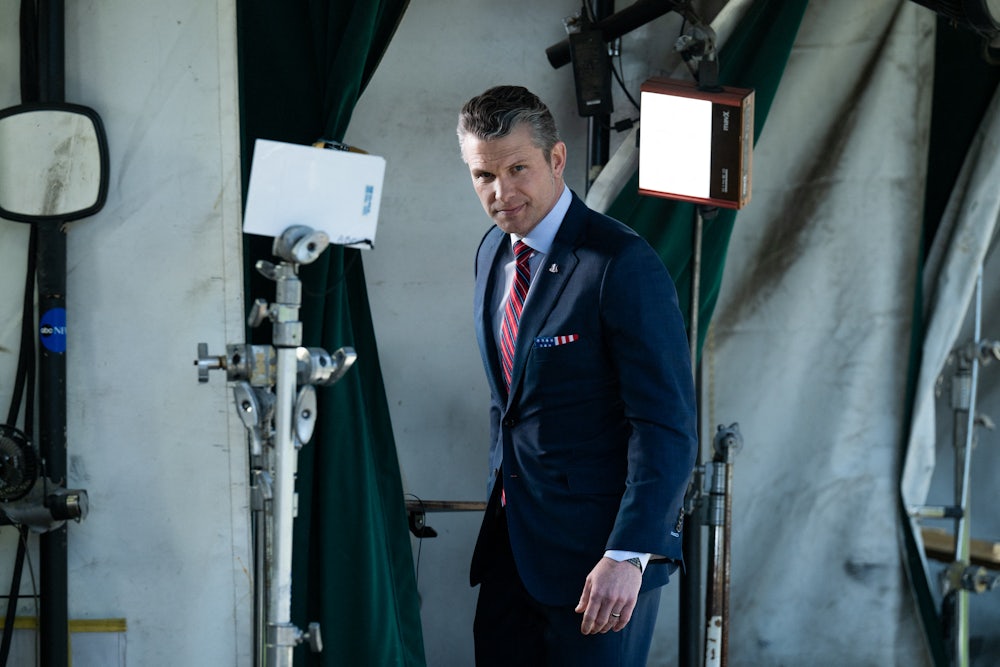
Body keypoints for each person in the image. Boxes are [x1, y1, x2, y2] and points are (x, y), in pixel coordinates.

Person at [456, 84, 698, 667]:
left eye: (518, 168)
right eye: (483, 175)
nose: (501, 192)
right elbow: (509, 405)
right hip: (511, 555)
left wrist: (630, 553)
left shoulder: (621, 263)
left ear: (557, 160)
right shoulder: (492, 252)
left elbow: (665, 425)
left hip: (602, 568)